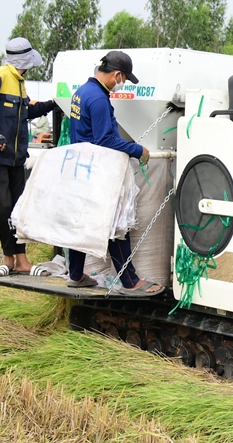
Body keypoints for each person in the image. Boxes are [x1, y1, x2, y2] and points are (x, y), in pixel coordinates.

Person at [63, 51, 163, 295]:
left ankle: (75, 275)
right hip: (98, 169)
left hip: (82, 167)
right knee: (116, 224)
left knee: (82, 223)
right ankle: (130, 282)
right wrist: (137, 149)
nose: (123, 84)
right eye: (124, 79)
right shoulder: (98, 98)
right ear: (117, 74)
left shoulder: (81, 93)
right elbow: (104, 139)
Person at [0, 37, 58, 275]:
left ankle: (22, 260)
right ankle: (9, 258)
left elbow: (25, 112)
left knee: (18, 208)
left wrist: (52, 104)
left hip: (18, 158)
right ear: (25, 61)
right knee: (4, 207)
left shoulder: (19, 82)